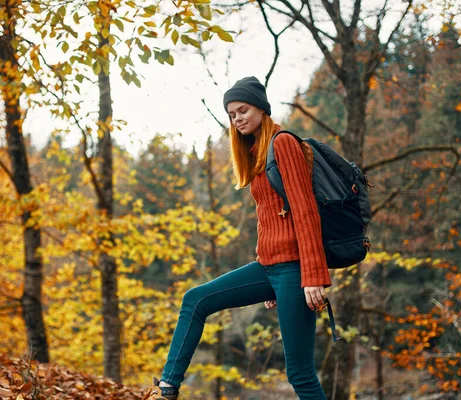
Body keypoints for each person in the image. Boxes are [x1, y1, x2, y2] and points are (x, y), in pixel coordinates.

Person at [142, 76, 331, 400]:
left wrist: (314, 276)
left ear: (261, 107)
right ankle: (167, 388)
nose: (237, 118)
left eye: (243, 110)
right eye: (232, 114)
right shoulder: (257, 152)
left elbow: (305, 210)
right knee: (195, 300)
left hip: (295, 270)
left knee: (299, 373)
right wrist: (269, 280)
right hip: (270, 269)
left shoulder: (283, 143)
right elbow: (270, 216)